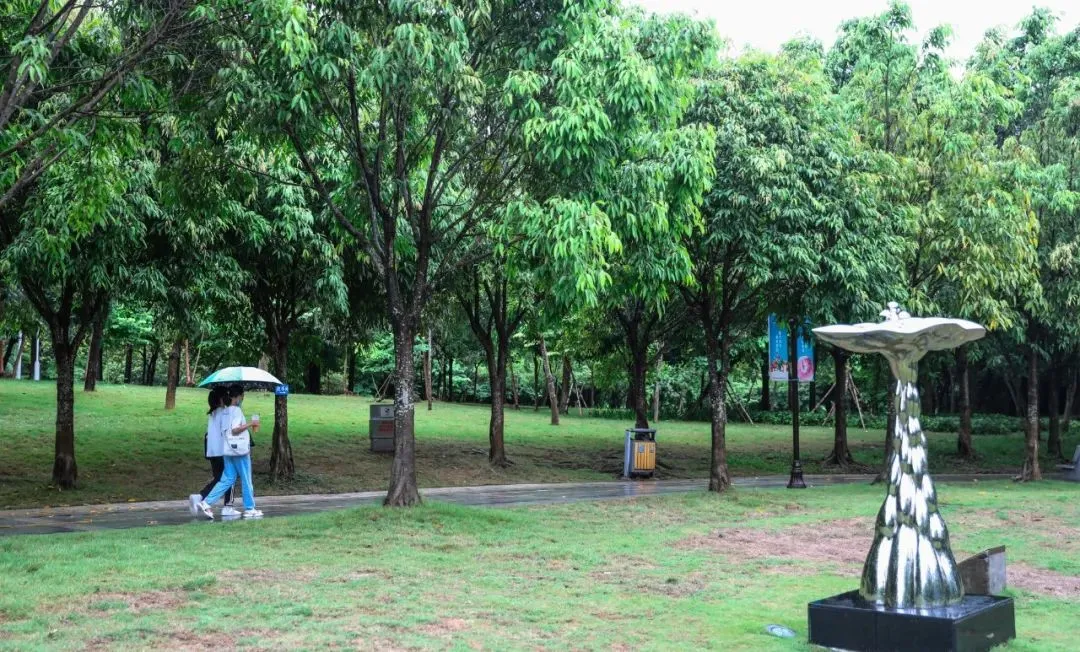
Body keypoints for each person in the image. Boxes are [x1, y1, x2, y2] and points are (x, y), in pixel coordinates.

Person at [197, 384, 263, 520]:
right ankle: (250, 508)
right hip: (239, 451)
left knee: (227, 479)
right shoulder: (236, 411)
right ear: (238, 397)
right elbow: (235, 429)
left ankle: (206, 502)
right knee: (246, 478)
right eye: (243, 396)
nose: (243, 399)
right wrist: (251, 424)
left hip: (227, 450)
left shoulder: (224, 411)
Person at [188, 388, 240, 518]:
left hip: (212, 452)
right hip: (222, 451)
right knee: (230, 477)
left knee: (219, 478)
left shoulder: (213, 413)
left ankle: (200, 497)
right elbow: (228, 431)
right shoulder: (223, 412)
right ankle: (227, 505)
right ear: (222, 398)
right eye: (227, 395)